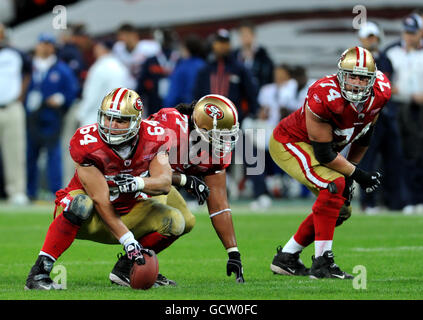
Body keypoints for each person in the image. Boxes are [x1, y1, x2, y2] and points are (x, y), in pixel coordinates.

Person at [25, 88, 184, 290]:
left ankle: (126, 269)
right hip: (88, 215)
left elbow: (163, 182)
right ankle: (39, 272)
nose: (111, 126)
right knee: (82, 203)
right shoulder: (86, 141)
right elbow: (100, 198)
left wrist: (137, 183)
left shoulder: (155, 137)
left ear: (136, 122)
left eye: (120, 120)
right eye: (108, 118)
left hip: (128, 210)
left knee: (175, 221)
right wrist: (128, 240)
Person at [268, 47, 391, 279]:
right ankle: (322, 264)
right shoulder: (322, 94)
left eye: (363, 77)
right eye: (351, 75)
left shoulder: (381, 92)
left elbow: (364, 133)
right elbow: (324, 153)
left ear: (373, 79)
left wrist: (351, 171)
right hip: (291, 142)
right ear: (340, 74)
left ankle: (287, 257)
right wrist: (357, 174)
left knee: (341, 210)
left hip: (320, 149)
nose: (356, 82)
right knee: (333, 185)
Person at [109, 94, 245, 286]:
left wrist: (233, 253)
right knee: (171, 217)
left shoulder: (215, 153)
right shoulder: (171, 126)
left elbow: (219, 203)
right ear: (201, 129)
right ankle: (133, 260)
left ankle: (126, 265)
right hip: (131, 177)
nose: (225, 142)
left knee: (187, 221)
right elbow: (145, 167)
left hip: (160, 182)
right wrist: (184, 179)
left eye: (228, 134)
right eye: (220, 135)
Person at [357, 21, 409, 213]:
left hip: (388, 114)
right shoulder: (356, 59)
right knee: (367, 161)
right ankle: (367, 202)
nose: (372, 40)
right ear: (362, 38)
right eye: (368, 37)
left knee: (394, 159)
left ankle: (396, 202)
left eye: (374, 36)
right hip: (368, 117)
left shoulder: (385, 57)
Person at [25, 33, 79, 201]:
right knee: (30, 155)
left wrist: (60, 99)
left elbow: (72, 91)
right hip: (31, 117)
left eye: (48, 44)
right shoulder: (30, 67)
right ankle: (29, 192)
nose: (44, 47)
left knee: (53, 155)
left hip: (51, 118)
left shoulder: (61, 69)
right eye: (42, 43)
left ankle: (55, 191)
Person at [384, 14, 423, 214]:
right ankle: (403, 199)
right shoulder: (392, 52)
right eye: (406, 32)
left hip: (420, 109)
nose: (409, 36)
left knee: (418, 154)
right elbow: (381, 78)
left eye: (413, 32)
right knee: (400, 153)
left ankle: (418, 198)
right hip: (398, 108)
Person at [192, 29, 258, 124]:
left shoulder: (239, 69)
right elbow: (197, 94)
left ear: (229, 45)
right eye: (219, 42)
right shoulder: (205, 70)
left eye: (225, 42)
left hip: (233, 121)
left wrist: (251, 114)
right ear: (213, 45)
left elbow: (251, 93)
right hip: (208, 120)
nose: (222, 46)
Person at [0, 23, 31, 205]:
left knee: (15, 151)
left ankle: (17, 191)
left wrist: (21, 95)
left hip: (12, 106)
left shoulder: (17, 53)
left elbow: (28, 73)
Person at [77, 39, 131, 127]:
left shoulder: (99, 67)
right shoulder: (120, 66)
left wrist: (81, 113)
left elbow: (92, 94)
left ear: (103, 49)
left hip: (95, 117)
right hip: (117, 117)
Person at [136, 28, 180, 116]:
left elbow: (140, 87)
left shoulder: (179, 60)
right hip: (169, 107)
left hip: (159, 107)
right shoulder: (180, 61)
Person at [112, 23, 160, 89]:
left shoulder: (149, 47)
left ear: (134, 34)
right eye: (120, 36)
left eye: (125, 35)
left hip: (146, 85)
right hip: (129, 86)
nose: (122, 38)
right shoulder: (118, 48)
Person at [164, 34, 206, 107]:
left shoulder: (182, 68)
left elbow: (173, 95)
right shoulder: (204, 65)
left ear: (187, 49)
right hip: (202, 110)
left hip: (184, 111)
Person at [232, 20, 274, 90]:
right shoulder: (234, 55)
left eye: (247, 34)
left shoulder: (263, 56)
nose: (244, 37)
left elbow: (267, 78)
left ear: (253, 35)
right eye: (242, 34)